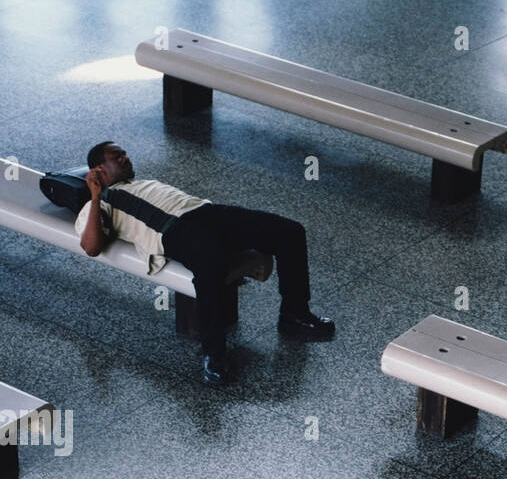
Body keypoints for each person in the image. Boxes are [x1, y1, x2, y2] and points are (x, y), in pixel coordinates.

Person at [75, 141, 334, 384]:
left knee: (290, 232)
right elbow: (91, 246)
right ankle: (214, 354)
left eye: (125, 153)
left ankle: (294, 315)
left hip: (209, 213)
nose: (125, 157)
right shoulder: (100, 204)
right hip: (175, 231)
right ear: (98, 169)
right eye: (116, 157)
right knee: (210, 265)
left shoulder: (141, 183)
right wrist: (96, 196)